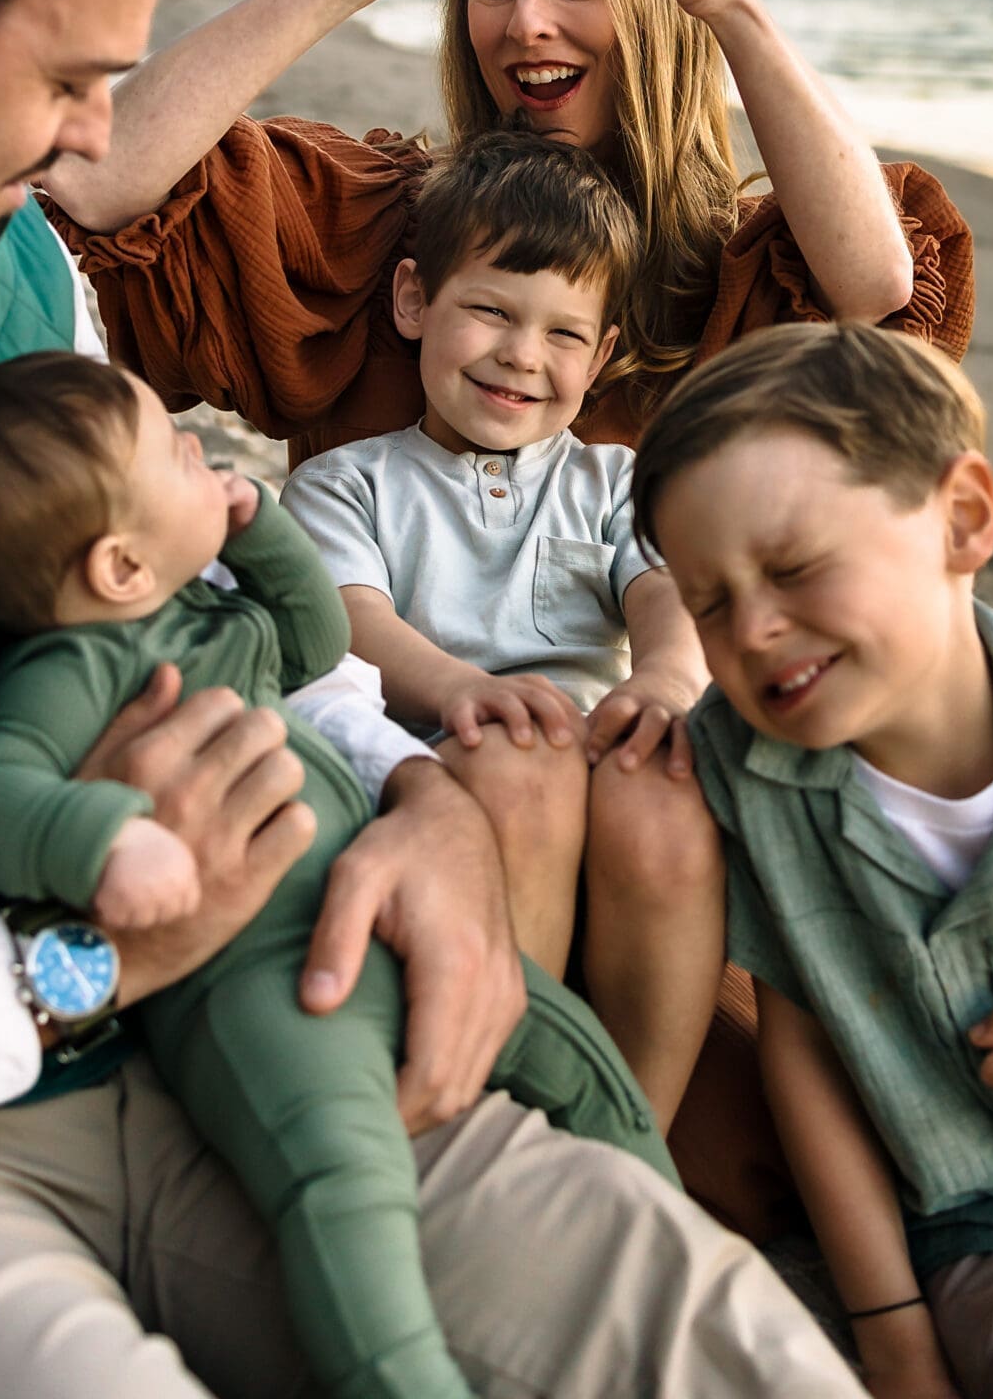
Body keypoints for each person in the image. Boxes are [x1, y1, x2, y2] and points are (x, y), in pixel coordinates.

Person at [0, 0, 866, 1399]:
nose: (92, 136)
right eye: (74, 73)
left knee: (721, 1345)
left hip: (252, 997)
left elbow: (228, 602)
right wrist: (73, 960)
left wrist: (426, 802)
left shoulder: (13, 276)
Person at [42, 0, 975, 1235]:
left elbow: (876, 296)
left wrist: (733, 1)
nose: (524, 23)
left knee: (795, 1152)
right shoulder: (388, 228)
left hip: (649, 792)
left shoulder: (736, 265)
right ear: (421, 301)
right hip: (419, 771)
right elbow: (98, 194)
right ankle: (512, 1171)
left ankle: (606, 1184)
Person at [0, 347, 678, 1399]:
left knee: (582, 1060)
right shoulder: (75, 668)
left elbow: (311, 640)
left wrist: (257, 531)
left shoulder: (207, 611)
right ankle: (399, 1374)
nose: (203, 450)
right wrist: (111, 842)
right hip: (262, 979)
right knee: (342, 1185)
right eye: (175, 452)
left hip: (371, 901)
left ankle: (654, 1205)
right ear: (120, 566)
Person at [632, 321, 993, 1399]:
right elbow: (809, 1047)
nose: (757, 626)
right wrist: (893, 1333)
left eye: (793, 566)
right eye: (710, 602)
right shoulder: (746, 773)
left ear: (962, 519)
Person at [281, 125, 720, 1129]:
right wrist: (461, 686)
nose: (524, 355)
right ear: (413, 301)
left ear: (603, 353)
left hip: (590, 753)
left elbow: (663, 590)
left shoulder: (612, 480)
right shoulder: (349, 481)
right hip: (440, 752)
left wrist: (662, 677)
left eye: (564, 333)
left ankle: (631, 1131)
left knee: (665, 797)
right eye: (490, 310)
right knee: (517, 762)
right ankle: (504, 1107)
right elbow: (352, 616)